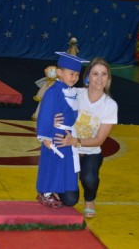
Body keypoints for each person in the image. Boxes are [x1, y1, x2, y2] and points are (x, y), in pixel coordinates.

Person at [54, 57, 118, 218]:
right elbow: (52, 107)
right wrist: (53, 119)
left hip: (91, 151)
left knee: (89, 178)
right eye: (95, 73)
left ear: (108, 78)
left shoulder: (110, 105)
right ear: (88, 77)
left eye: (104, 74)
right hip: (69, 151)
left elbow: (99, 140)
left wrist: (76, 141)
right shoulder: (75, 94)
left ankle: (90, 200)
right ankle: (59, 183)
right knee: (69, 200)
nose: (99, 78)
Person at [36, 52, 88, 208]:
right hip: (54, 136)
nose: (74, 77)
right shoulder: (53, 92)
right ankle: (45, 192)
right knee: (51, 164)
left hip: (68, 137)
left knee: (63, 165)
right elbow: (45, 114)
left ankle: (58, 191)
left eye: (77, 74)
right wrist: (45, 136)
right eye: (71, 73)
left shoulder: (73, 92)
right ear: (59, 72)